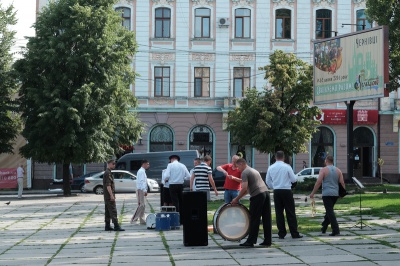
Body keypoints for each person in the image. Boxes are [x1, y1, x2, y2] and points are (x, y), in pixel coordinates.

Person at [231, 158, 272, 247]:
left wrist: (236, 198)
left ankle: (251, 241)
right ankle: (268, 240)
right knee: (266, 218)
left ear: (242, 164)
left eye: (238, 166)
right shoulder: (253, 170)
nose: (238, 169)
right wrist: (238, 197)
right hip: (266, 193)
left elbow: (244, 188)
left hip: (257, 196)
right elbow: (247, 190)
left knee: (254, 218)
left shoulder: (245, 172)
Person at [266, 151, 302, 239]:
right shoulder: (287, 167)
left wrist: (274, 186)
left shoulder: (271, 167)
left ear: (275, 157)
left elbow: (267, 181)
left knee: (279, 212)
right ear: (284, 157)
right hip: (286, 190)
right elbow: (293, 179)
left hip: (277, 191)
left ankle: (281, 233)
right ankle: (294, 232)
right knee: (290, 212)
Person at [310, 155, 345, 236]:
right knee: (329, 211)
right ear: (332, 161)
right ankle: (324, 228)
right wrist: (342, 193)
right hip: (335, 194)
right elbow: (342, 182)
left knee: (329, 212)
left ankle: (336, 230)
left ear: (326, 161)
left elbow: (318, 182)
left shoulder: (323, 170)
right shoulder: (338, 170)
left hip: (326, 193)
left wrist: (313, 193)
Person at [164, 154, 191, 223]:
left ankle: (176, 218)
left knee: (175, 202)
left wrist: (166, 179)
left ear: (171, 159)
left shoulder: (170, 165)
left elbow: (166, 175)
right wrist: (182, 178)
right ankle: (182, 219)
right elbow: (188, 176)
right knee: (181, 201)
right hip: (180, 185)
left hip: (172, 185)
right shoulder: (182, 165)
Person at [103, 159, 125, 231]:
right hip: (109, 196)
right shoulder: (108, 173)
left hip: (107, 196)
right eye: (113, 164)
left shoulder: (108, 172)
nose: (114, 165)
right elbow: (108, 186)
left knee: (108, 211)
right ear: (109, 164)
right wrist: (111, 195)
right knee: (113, 210)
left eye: (114, 164)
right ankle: (116, 226)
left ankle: (107, 225)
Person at [131, 159, 150, 225]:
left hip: (142, 189)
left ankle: (142, 220)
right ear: (144, 164)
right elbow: (142, 182)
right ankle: (134, 219)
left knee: (143, 205)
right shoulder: (141, 171)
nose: (148, 165)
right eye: (147, 164)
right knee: (141, 205)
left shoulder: (142, 171)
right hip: (140, 189)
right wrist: (144, 190)